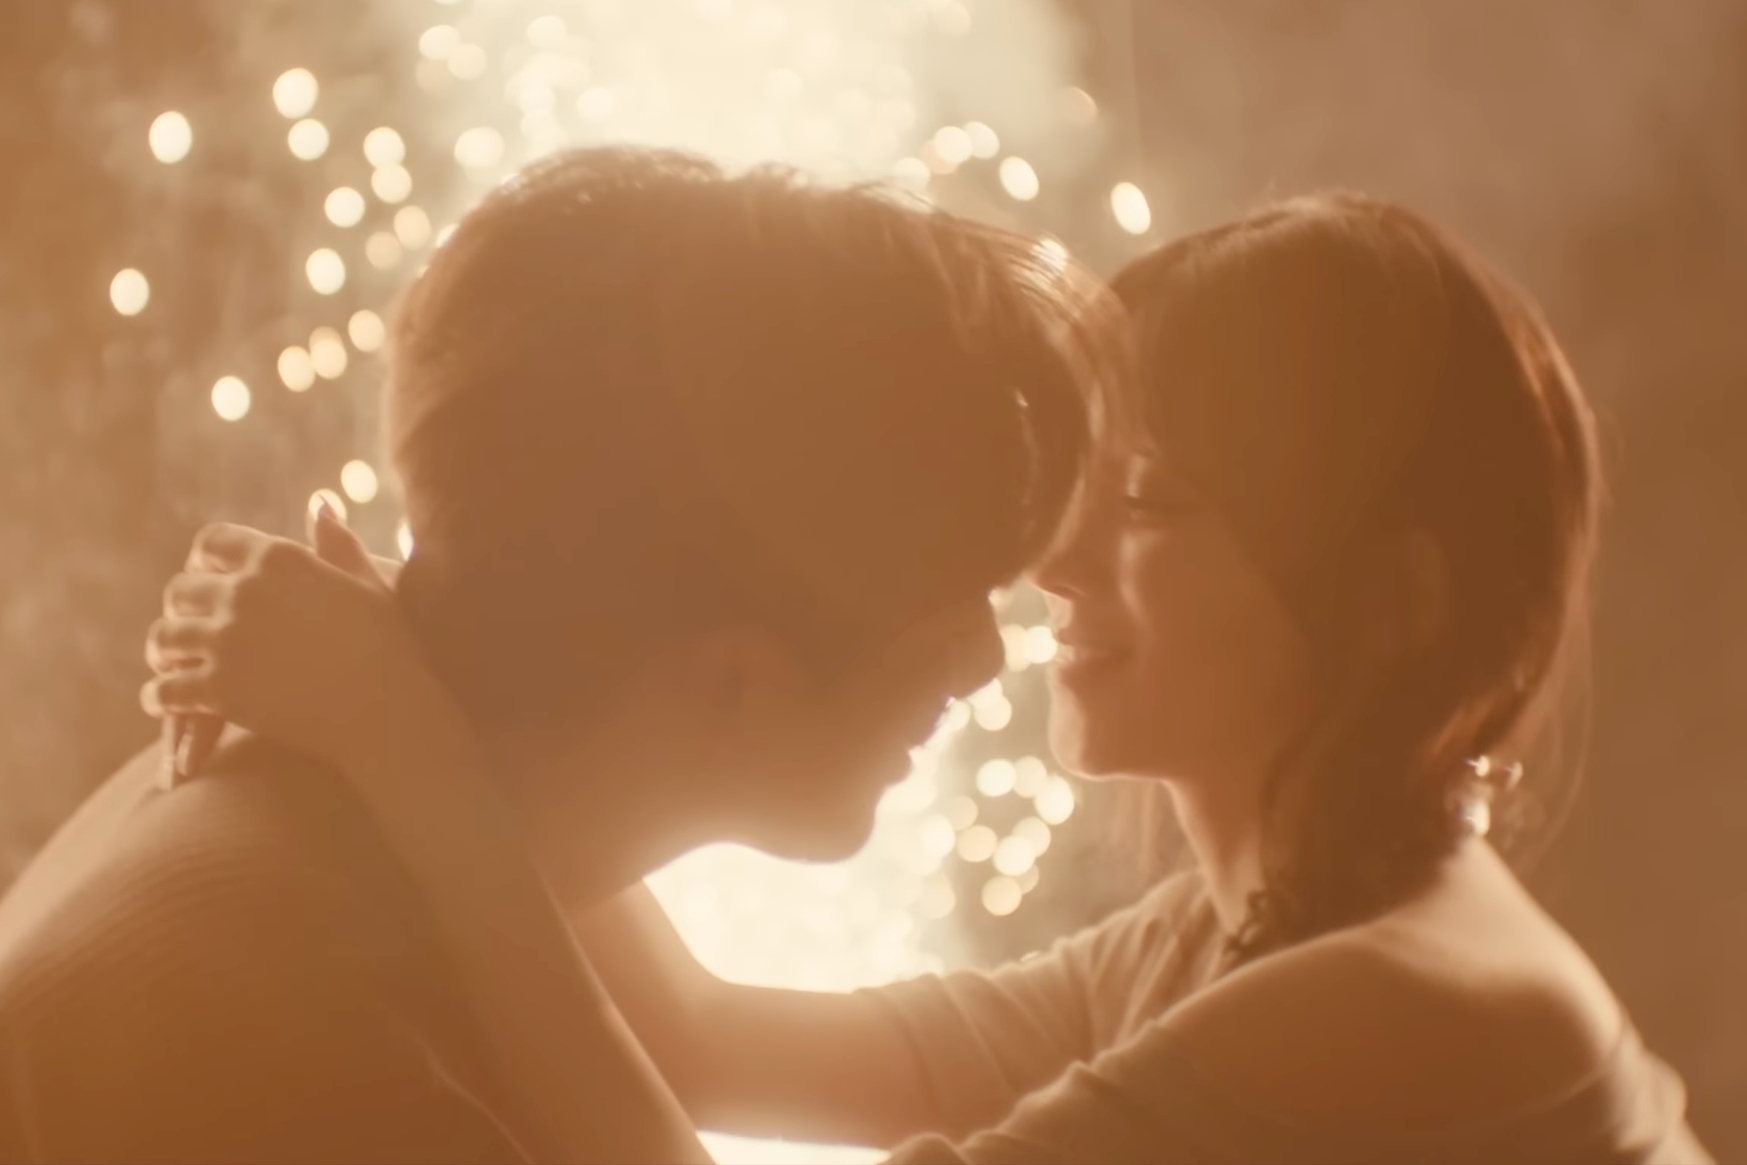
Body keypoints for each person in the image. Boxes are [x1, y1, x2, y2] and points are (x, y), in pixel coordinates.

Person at [144, 192, 1714, 1164]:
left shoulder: (1398, 1005)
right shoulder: (1243, 932)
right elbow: (706, 1042)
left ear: (1384, 608)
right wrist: (439, 663)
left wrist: (406, 737)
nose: (1051, 566)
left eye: (1148, 503)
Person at [0, 146, 1105, 1163]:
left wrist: (405, 730)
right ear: (732, 681)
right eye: (943, 604)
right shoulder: (314, 1047)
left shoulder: (331, 807)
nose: (980, 660)